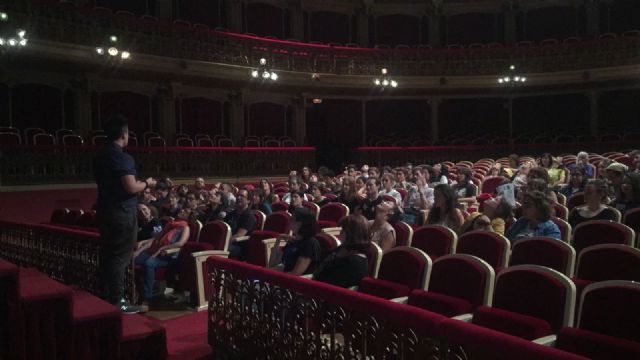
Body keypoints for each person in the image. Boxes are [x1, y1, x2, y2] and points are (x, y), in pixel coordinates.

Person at [93, 114, 156, 313]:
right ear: (124, 135)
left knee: (108, 254)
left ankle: (104, 294)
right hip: (121, 213)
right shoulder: (122, 157)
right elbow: (130, 187)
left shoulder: (100, 155)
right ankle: (118, 301)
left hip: (105, 211)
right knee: (121, 257)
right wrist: (147, 183)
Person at [133, 214, 190, 305]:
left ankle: (147, 297)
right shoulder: (170, 225)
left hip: (170, 256)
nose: (181, 211)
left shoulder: (185, 227)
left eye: (183, 211)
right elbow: (156, 238)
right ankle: (133, 291)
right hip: (157, 253)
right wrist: (142, 245)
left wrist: (163, 248)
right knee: (133, 259)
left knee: (149, 263)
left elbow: (180, 243)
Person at [313, 215, 370, 288]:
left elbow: (332, 283)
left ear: (352, 234)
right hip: (317, 286)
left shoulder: (355, 262)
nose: (340, 234)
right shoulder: (343, 248)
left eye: (343, 231)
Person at [279, 208, 321, 275]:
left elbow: (296, 273)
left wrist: (276, 277)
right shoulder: (295, 240)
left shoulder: (310, 244)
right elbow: (279, 262)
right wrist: (279, 239)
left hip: (294, 282)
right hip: (284, 275)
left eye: (293, 219)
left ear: (304, 224)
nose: (289, 221)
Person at [225, 189, 257, 260]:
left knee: (218, 248)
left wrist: (222, 241)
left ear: (248, 200)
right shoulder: (231, 214)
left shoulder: (249, 216)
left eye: (242, 196)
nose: (238, 198)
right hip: (228, 242)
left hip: (239, 247)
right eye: (238, 195)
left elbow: (239, 235)